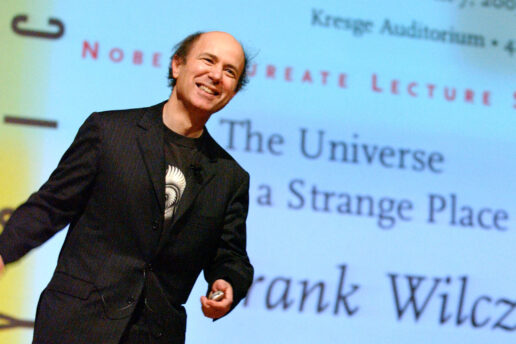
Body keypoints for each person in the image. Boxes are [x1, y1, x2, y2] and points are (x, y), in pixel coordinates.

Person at [0, 31, 254, 344]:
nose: (216, 75)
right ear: (177, 65)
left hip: (155, 332)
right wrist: (4, 248)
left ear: (233, 90)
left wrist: (227, 281)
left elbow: (231, 256)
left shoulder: (229, 177)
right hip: (77, 322)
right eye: (208, 60)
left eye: (230, 71)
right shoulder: (109, 132)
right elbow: (53, 204)